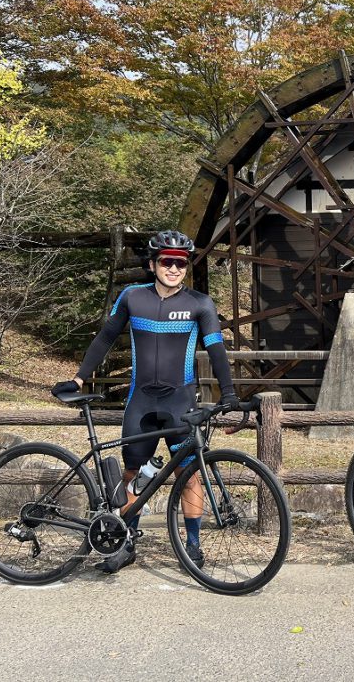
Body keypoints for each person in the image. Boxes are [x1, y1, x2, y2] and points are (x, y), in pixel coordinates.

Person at [51, 230, 237, 574]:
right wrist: (80, 377)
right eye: (167, 261)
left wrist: (228, 393)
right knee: (132, 474)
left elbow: (216, 349)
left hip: (180, 402)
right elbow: (106, 336)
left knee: (190, 475)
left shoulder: (199, 304)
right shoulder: (132, 297)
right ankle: (126, 541)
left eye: (180, 263)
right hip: (140, 403)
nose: (174, 268)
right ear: (153, 265)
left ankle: (193, 546)